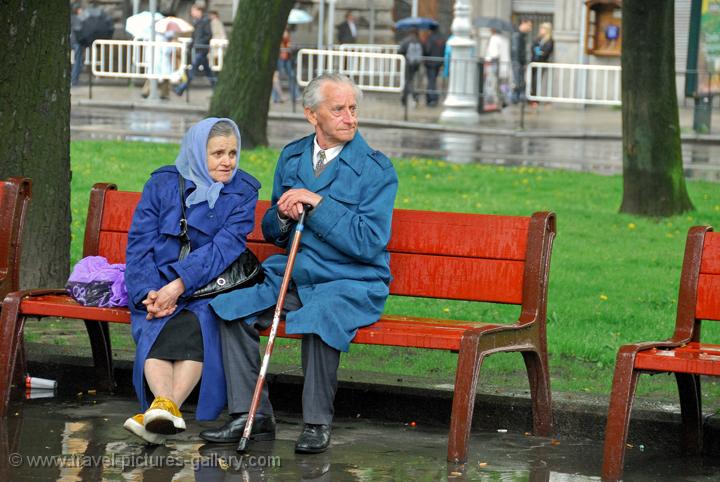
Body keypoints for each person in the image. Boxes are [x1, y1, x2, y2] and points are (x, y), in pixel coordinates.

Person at [200, 73, 399, 454]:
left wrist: (319, 205)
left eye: (352, 109)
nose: (349, 118)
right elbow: (274, 232)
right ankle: (251, 414)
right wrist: (284, 215)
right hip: (294, 272)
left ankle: (316, 422)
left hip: (351, 280)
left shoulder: (376, 169)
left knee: (322, 317)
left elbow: (369, 241)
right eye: (337, 109)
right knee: (231, 309)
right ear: (312, 115)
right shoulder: (292, 156)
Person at [123, 118, 260, 445]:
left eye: (232, 152)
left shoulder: (243, 192)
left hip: (205, 289)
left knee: (194, 328)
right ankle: (165, 412)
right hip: (155, 286)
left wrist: (179, 287)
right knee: (158, 326)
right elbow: (139, 243)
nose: (227, 161)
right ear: (198, 154)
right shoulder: (163, 184)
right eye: (217, 154)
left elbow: (222, 250)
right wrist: (148, 292)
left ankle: (159, 414)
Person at [175, 3, 215, 96]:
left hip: (201, 49)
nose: (192, 13)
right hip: (197, 49)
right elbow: (194, 37)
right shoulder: (197, 21)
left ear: (198, 10)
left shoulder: (205, 21)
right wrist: (190, 47)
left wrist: (199, 43)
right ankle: (216, 87)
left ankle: (181, 88)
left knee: (192, 70)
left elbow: (209, 35)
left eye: (193, 10)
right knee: (208, 72)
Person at [485, 28, 511, 107]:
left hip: (495, 64)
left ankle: (492, 100)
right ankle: (505, 99)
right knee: (503, 83)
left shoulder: (494, 38)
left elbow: (494, 54)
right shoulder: (505, 39)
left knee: (492, 82)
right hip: (505, 65)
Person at [399, 29, 425, 106]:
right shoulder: (419, 41)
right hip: (416, 64)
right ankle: (409, 97)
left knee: (408, 81)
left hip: (408, 63)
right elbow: (424, 51)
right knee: (412, 80)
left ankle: (410, 97)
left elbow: (400, 51)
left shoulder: (406, 40)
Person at [530, 22, 554, 103]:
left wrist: (539, 52)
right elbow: (533, 48)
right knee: (532, 80)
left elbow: (546, 52)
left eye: (542, 28)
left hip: (542, 63)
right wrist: (538, 51)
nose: (540, 30)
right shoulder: (537, 39)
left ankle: (536, 99)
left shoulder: (549, 40)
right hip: (534, 62)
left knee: (537, 80)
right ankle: (532, 98)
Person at [511, 19, 532, 104]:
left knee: (520, 82)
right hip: (518, 62)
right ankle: (516, 99)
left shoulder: (521, 35)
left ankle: (518, 99)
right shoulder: (517, 35)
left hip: (519, 62)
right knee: (518, 82)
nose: (530, 28)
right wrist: (521, 62)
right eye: (529, 25)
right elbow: (516, 51)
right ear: (523, 23)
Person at [424, 26, 446, 107]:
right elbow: (444, 50)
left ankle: (432, 99)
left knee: (431, 81)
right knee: (434, 80)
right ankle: (434, 98)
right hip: (438, 63)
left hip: (430, 63)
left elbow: (427, 50)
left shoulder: (430, 38)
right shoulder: (442, 38)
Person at [277, 27, 301, 103]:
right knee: (277, 78)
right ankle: (277, 97)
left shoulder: (287, 35)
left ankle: (295, 95)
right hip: (280, 58)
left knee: (291, 76)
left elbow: (288, 44)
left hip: (287, 58)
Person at [70, 3, 84, 86]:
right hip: (76, 43)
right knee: (78, 62)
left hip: (74, 42)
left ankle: (74, 79)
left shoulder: (72, 18)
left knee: (79, 62)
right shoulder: (77, 19)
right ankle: (74, 79)